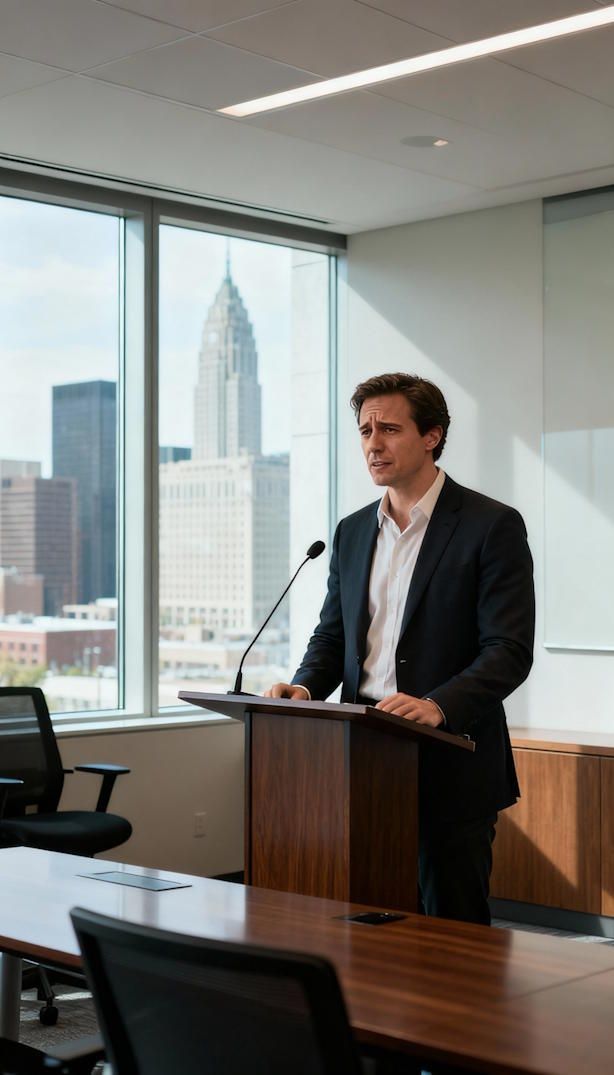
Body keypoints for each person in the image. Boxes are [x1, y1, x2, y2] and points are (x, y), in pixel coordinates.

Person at [266, 372, 534, 926]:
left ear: (432, 436)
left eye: (388, 428)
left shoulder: (490, 526)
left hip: (449, 761)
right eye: (364, 430)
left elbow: (508, 648)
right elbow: (333, 635)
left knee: (452, 933)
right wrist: (306, 685)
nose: (372, 443)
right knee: (367, 929)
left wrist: (438, 704)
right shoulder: (352, 531)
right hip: (360, 762)